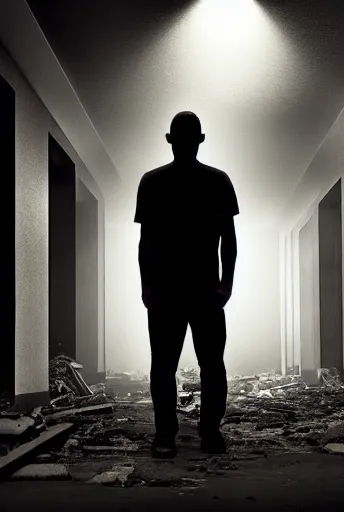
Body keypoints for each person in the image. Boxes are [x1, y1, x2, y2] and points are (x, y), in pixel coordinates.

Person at [134, 111, 239, 458]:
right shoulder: (216, 181)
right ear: (199, 139)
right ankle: (202, 432)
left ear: (171, 139)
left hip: (181, 291)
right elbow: (228, 240)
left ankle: (173, 433)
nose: (184, 144)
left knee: (173, 364)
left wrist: (226, 285)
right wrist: (225, 284)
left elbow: (146, 242)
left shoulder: (153, 182)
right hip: (195, 290)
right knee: (202, 364)